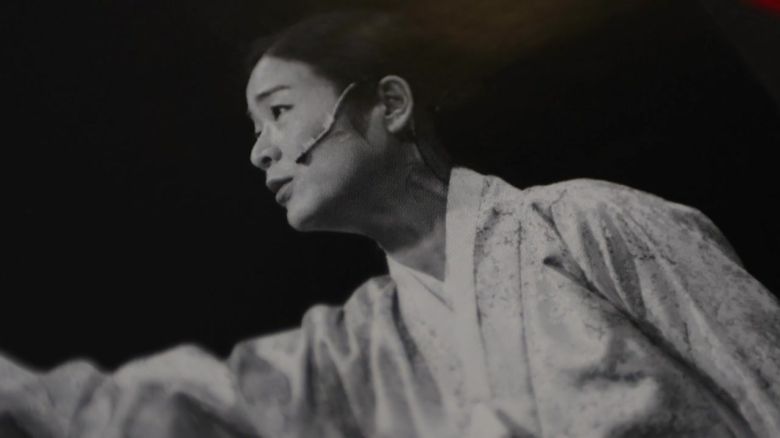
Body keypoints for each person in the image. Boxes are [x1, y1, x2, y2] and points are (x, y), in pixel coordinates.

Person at [2, 10, 779, 438]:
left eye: (278, 112)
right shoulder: (358, 349)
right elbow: (178, 406)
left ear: (392, 105)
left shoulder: (588, 225)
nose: (260, 150)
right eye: (255, 127)